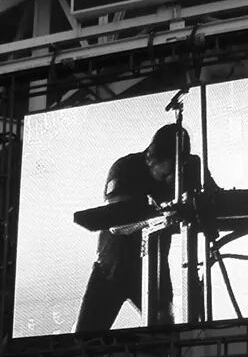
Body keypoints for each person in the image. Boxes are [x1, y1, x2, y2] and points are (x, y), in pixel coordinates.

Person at [75, 123, 212, 333]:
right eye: (165, 175)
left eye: (175, 174)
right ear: (150, 158)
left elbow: (213, 201)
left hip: (154, 265)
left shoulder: (189, 167)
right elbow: (117, 224)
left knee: (166, 337)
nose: (170, 180)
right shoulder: (124, 169)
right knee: (84, 340)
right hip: (112, 267)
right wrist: (163, 215)